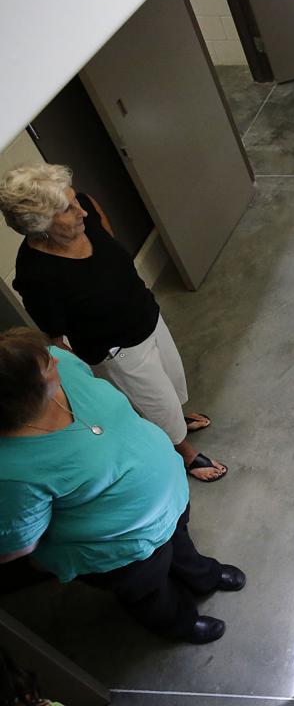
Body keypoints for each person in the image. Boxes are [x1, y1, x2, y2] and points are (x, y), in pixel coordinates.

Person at [0, 329, 244, 644]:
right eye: (47, 366)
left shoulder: (62, 364)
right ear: (20, 397)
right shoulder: (11, 469)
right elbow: (18, 543)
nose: (56, 361)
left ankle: (204, 577)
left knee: (181, 544)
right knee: (150, 590)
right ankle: (179, 623)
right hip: (120, 549)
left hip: (168, 499)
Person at [0, 163, 226, 482]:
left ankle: (175, 418)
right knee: (155, 400)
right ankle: (184, 451)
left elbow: (110, 243)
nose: (81, 211)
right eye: (67, 209)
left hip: (146, 314)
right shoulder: (36, 275)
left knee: (171, 380)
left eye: (74, 198)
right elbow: (56, 338)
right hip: (118, 349)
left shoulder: (86, 208)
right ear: (41, 225)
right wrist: (89, 380)